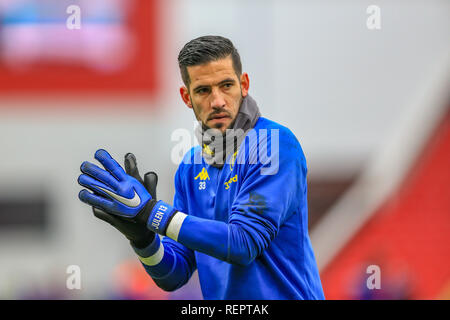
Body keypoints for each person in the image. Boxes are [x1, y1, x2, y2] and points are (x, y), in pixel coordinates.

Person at [78, 35, 325, 300]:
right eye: (203, 90)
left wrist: (153, 213)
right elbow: (175, 275)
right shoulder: (191, 166)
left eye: (226, 85)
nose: (217, 100)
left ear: (244, 85)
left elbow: (244, 243)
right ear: (187, 97)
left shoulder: (274, 145)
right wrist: (143, 240)